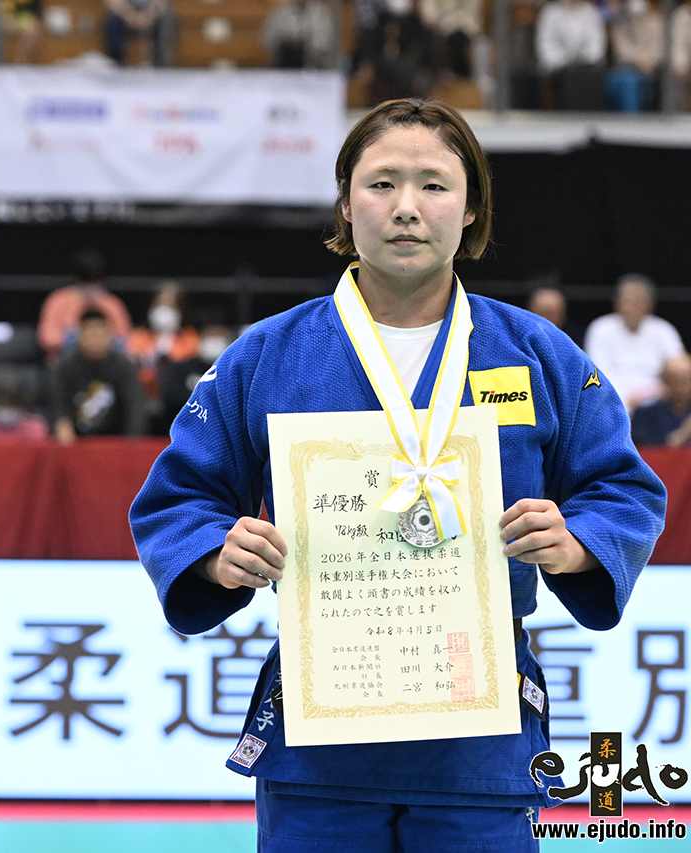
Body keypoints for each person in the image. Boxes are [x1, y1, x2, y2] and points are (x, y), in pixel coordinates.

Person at [130, 99, 665, 851]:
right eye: (381, 184)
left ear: (471, 207)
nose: (407, 207)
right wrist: (217, 555)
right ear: (346, 204)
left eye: (434, 185)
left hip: (478, 740)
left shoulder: (537, 354)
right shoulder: (267, 355)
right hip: (320, 744)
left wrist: (577, 544)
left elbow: (624, 488)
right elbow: (179, 496)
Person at [584, 274, 685, 411]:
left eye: (639, 301)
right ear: (616, 304)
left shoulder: (663, 330)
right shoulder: (601, 328)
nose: (633, 306)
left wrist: (648, 394)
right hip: (612, 401)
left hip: (658, 402)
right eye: (628, 301)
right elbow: (598, 372)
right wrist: (625, 398)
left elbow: (680, 369)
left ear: (650, 305)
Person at [51, 308, 147, 444]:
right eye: (91, 334)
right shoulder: (64, 367)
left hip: (115, 441)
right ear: (79, 335)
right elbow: (58, 404)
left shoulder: (124, 366)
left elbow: (134, 406)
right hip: (76, 442)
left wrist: (131, 442)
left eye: (100, 334)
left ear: (110, 335)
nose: (95, 340)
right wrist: (62, 424)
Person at [37, 248, 132, 362]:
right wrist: (76, 338)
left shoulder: (112, 304)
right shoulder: (59, 300)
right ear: (76, 279)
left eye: (95, 284)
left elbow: (125, 340)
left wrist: (98, 342)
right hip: (65, 361)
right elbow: (46, 338)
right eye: (85, 284)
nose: (90, 290)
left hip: (107, 362)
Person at [126, 280, 200, 404]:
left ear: (180, 309)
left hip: (179, 401)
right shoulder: (139, 335)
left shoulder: (190, 337)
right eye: (160, 304)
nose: (165, 310)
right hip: (144, 398)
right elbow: (135, 369)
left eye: (171, 306)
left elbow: (187, 370)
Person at [535, 0, 607, 109]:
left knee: (586, 76)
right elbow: (545, 46)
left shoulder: (591, 12)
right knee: (569, 77)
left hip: (586, 68)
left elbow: (597, 45)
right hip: (557, 68)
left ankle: (591, 115)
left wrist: (581, 60)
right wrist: (565, 62)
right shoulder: (550, 13)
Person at [606, 0, 664, 111]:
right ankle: (624, 119)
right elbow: (622, 51)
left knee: (630, 82)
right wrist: (639, 61)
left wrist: (648, 61)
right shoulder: (620, 23)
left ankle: (632, 119)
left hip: (652, 69)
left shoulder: (656, 22)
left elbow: (658, 49)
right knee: (618, 80)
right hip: (626, 68)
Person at [630, 353, 691, 447]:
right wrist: (683, 434)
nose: (682, 386)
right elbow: (644, 448)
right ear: (665, 381)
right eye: (676, 380)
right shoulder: (645, 414)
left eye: (687, 380)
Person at [262, 0, 337, 68]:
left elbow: (324, 42)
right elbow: (268, 36)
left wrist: (306, 46)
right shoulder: (280, 12)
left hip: (312, 63)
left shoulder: (320, 13)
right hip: (285, 62)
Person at [103, 0, 172, 66]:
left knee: (167, 21)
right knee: (113, 21)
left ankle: (161, 64)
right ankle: (116, 62)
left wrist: (150, 15)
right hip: (124, 14)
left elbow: (162, 2)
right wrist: (128, 14)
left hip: (152, 14)